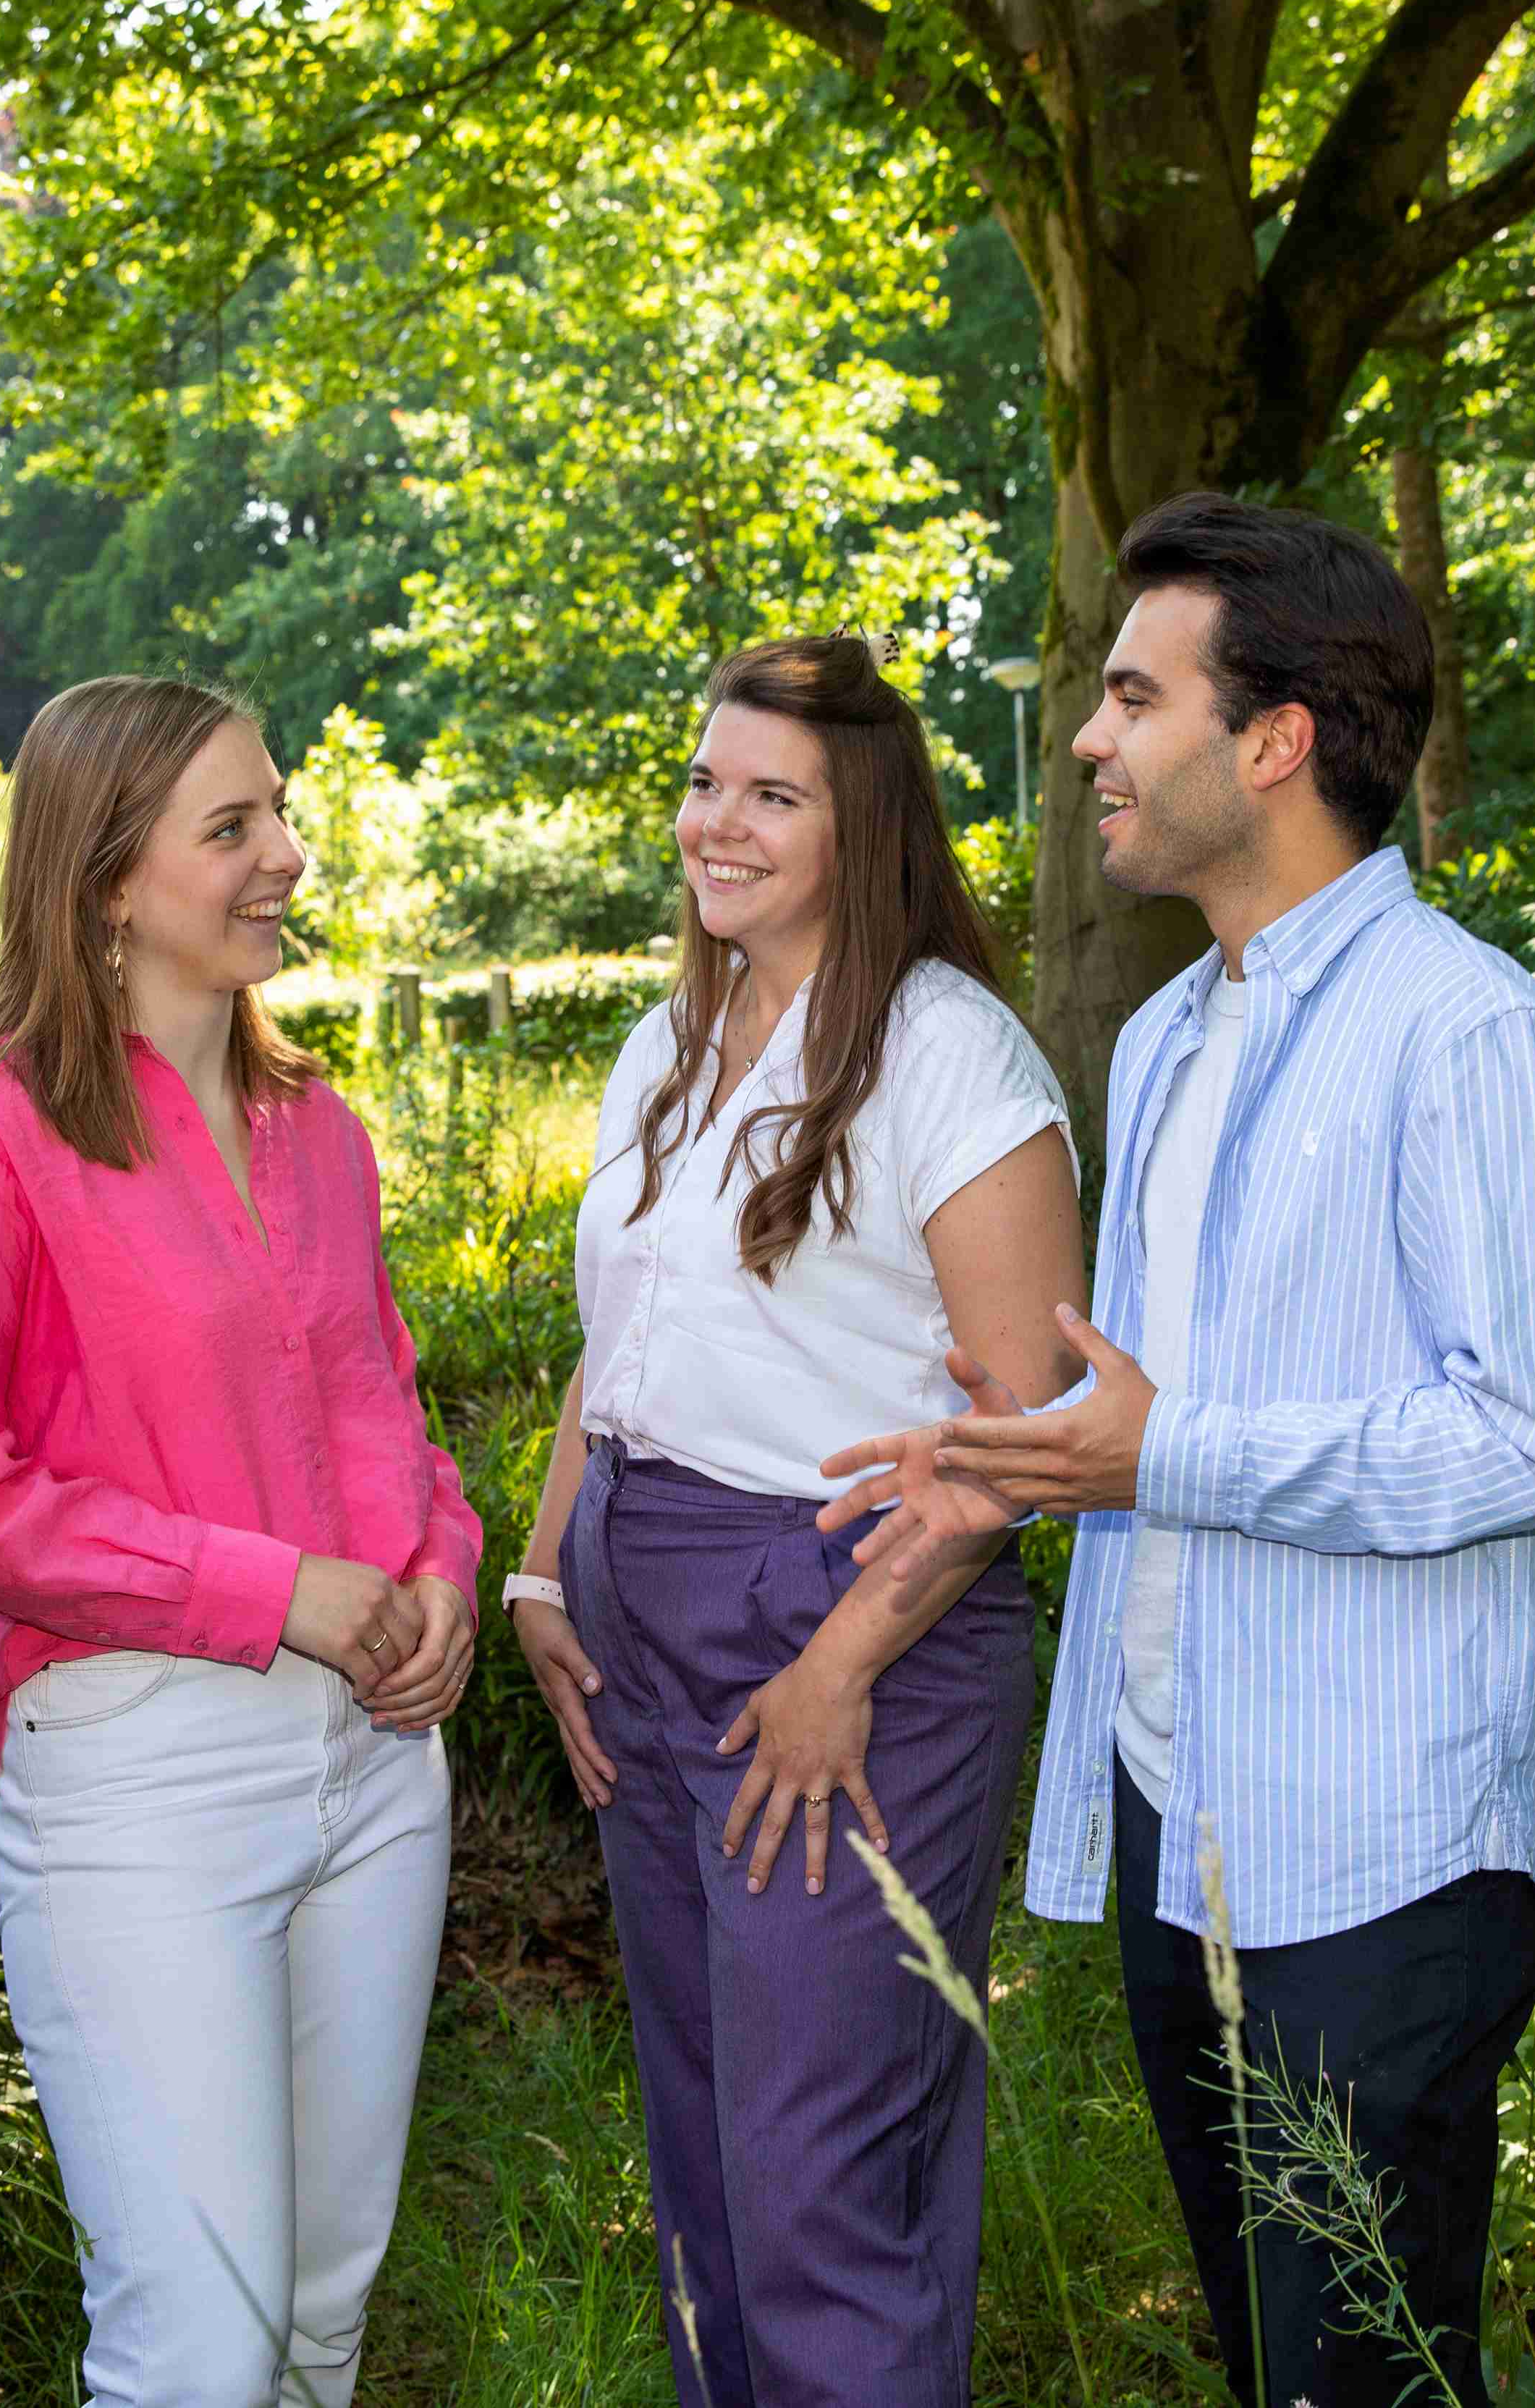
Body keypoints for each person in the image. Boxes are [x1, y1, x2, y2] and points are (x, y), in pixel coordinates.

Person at [819, 496, 1535, 2408]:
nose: (1090, 742)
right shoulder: (1170, 1037)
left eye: (1132, 698)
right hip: (1178, 1823)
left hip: (1386, 1845)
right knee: (1271, 2361)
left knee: (1358, 2370)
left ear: (1271, 739)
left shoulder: (1471, 1044)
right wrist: (1014, 1459)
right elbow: (1155, 1412)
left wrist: (1160, 1452)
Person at [0, 675, 478, 2408]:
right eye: (234, 825)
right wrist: (269, 1589)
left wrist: (442, 1568)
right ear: (109, 876)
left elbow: (386, 1405)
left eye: (275, 809)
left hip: (376, 1763)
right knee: (198, 2345)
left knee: (316, 2322)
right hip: (140, 1778)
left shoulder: (318, 1130)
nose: (287, 851)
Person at [503, 634, 1089, 2408]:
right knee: (699, 2151)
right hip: (641, 1612)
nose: (719, 823)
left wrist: (841, 1660)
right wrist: (543, 1566)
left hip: (852, 1631)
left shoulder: (949, 1054)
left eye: (774, 794)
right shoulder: (667, 1039)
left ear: (867, 829)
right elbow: (620, 1343)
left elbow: (1028, 1425)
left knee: (823, 2167)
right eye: (705, 782)